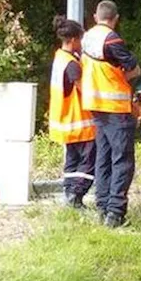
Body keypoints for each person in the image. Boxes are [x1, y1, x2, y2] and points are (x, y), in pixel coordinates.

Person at [81, 0, 141, 228]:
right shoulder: (112, 39)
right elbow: (133, 67)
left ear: (96, 17)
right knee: (122, 161)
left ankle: (102, 206)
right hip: (116, 108)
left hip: (95, 106)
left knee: (103, 158)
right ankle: (115, 213)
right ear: (115, 19)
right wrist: (127, 77)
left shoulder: (86, 38)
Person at [48, 17, 96, 209]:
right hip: (80, 121)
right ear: (74, 39)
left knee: (72, 160)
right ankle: (76, 195)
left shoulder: (59, 58)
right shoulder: (72, 64)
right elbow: (84, 90)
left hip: (64, 118)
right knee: (89, 161)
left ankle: (68, 193)